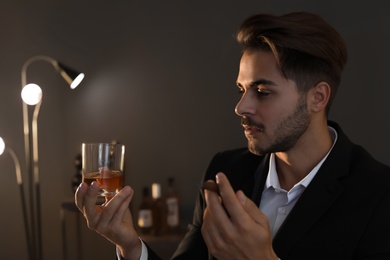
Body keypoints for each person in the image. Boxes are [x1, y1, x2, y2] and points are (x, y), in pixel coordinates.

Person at [75, 11, 390, 260]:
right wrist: (130, 245)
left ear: (318, 98)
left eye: (262, 92)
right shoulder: (226, 171)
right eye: (242, 90)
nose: (241, 107)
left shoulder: (378, 194)